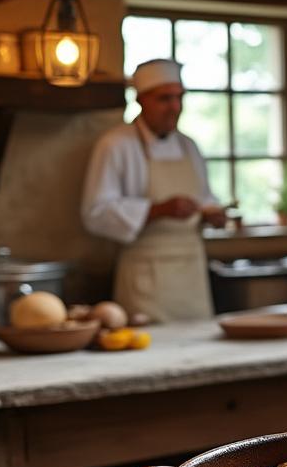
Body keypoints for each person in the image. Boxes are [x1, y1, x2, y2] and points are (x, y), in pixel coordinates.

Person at [81, 58, 227, 321]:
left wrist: (212, 213)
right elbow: (95, 212)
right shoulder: (115, 145)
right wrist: (158, 210)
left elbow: (205, 197)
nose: (174, 107)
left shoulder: (189, 146)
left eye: (179, 98)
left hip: (191, 277)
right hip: (145, 281)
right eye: (164, 99)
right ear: (141, 100)